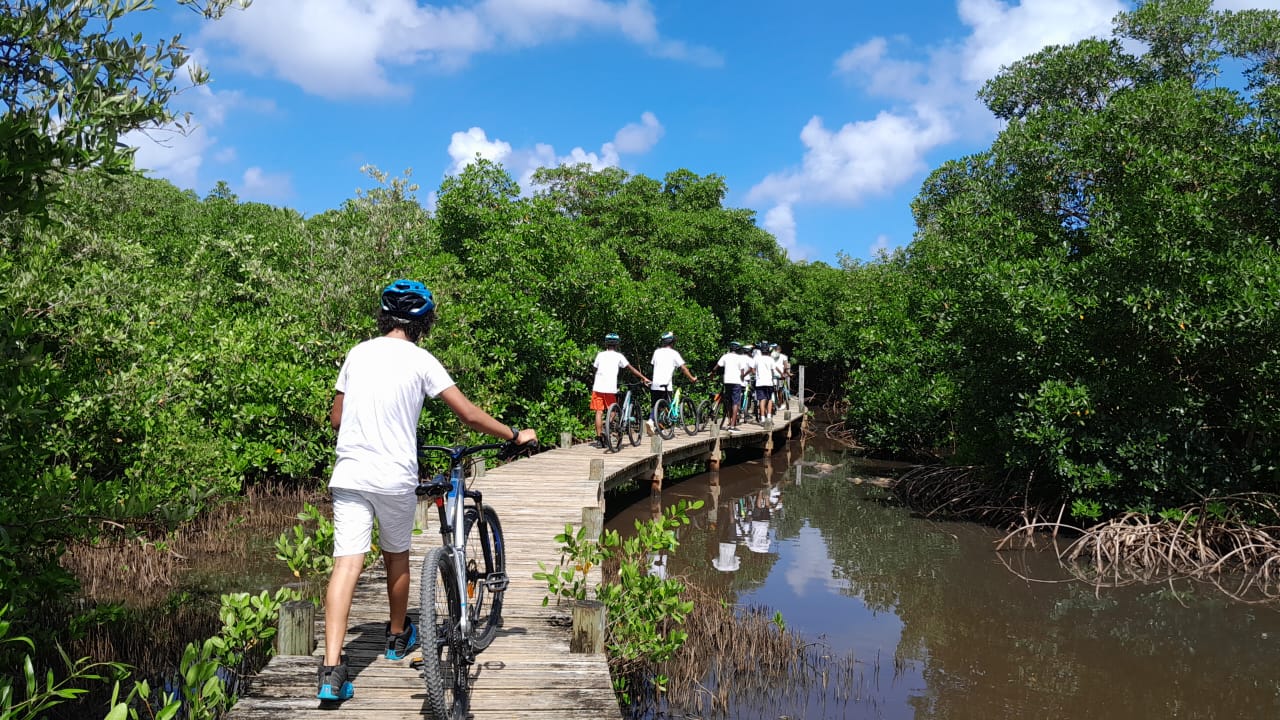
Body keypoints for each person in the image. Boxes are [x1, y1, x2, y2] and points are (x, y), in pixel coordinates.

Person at [318, 279, 537, 702]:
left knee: (346, 566)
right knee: (396, 557)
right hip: (393, 476)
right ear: (423, 323)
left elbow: (336, 419)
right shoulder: (422, 361)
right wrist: (513, 433)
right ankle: (397, 638)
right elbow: (469, 415)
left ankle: (331, 671)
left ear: (384, 317)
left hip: (349, 474)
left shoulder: (357, 354)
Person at [590, 333, 649, 448]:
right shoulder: (619, 356)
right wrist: (643, 378)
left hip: (598, 387)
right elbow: (630, 368)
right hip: (610, 388)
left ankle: (598, 439)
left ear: (606, 344)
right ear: (617, 344)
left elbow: (594, 368)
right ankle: (607, 426)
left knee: (599, 411)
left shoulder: (600, 355)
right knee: (612, 411)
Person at [648, 331, 696, 428]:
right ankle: (655, 422)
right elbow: (683, 368)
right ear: (672, 342)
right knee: (667, 407)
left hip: (655, 384)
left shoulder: (657, 352)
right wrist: (692, 378)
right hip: (666, 385)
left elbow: (653, 365)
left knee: (655, 406)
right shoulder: (674, 354)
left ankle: (653, 422)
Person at [713, 340, 747, 431]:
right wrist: (742, 378)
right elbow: (742, 373)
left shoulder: (725, 356)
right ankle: (732, 426)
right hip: (736, 382)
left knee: (728, 402)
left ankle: (729, 421)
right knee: (735, 402)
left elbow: (716, 367)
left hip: (727, 381)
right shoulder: (740, 358)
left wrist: (712, 375)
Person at [747, 341, 776, 421]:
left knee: (761, 400)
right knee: (769, 399)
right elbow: (773, 371)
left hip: (759, 382)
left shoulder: (757, 359)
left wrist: (757, 373)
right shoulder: (771, 359)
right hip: (769, 382)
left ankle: (762, 418)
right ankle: (769, 417)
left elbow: (752, 370)